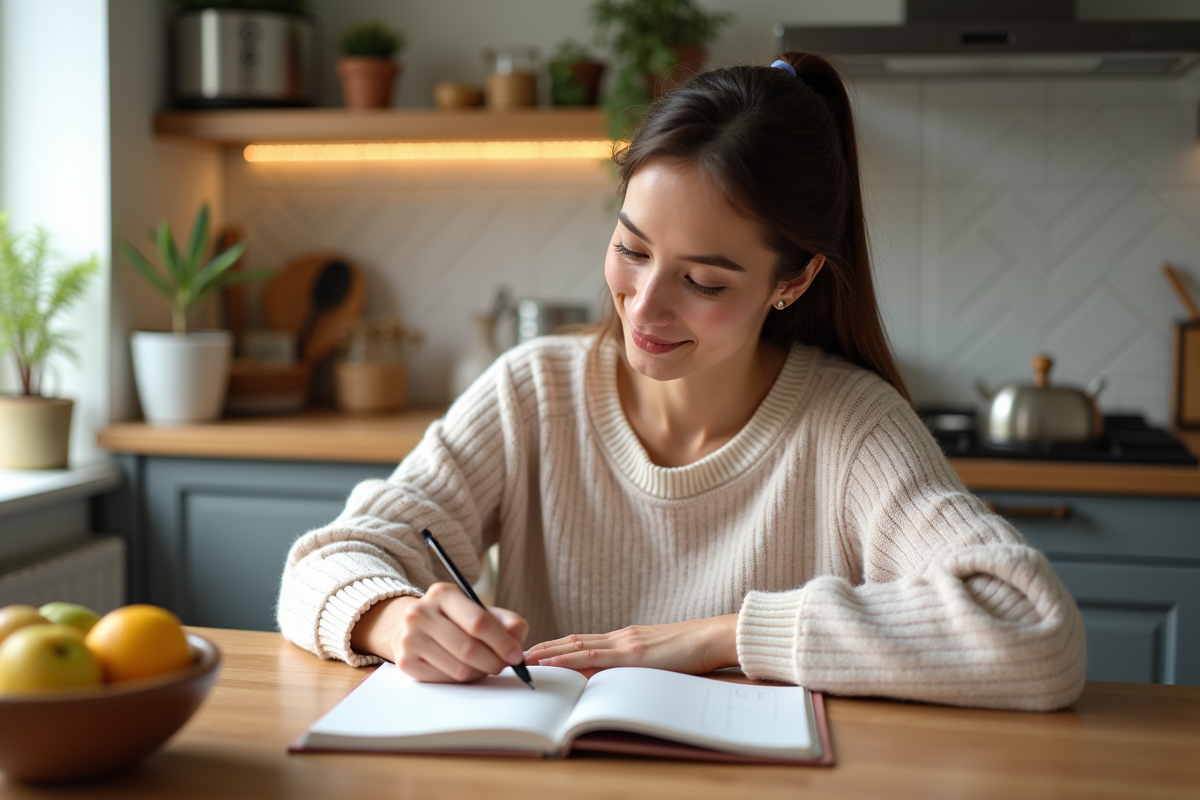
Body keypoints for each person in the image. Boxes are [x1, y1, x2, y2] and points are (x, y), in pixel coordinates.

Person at [277, 52, 1086, 711]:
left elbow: (1036, 630)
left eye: (702, 280)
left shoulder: (852, 428)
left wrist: (717, 638)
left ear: (794, 281)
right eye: (632, 250)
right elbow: (326, 562)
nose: (645, 306)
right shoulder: (533, 391)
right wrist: (391, 620)